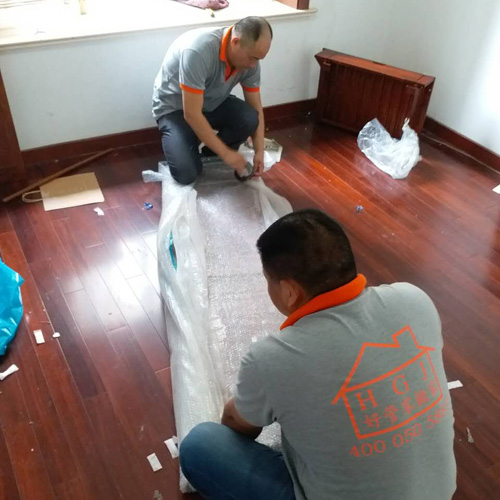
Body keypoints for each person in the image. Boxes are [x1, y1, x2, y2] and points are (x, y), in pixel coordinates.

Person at [179, 209, 457, 500]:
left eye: (268, 280)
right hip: (438, 492)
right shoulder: (415, 299)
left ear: (290, 292)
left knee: (202, 445)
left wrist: (252, 399)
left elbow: (238, 426)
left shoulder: (272, 357)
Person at [152, 17, 272, 185]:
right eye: (252, 58)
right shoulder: (198, 51)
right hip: (176, 109)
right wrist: (227, 154)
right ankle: (191, 141)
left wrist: (259, 151)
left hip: (211, 102)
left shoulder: (250, 61)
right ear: (235, 42)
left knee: (250, 118)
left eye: (259, 59)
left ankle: (209, 153)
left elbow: (255, 106)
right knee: (186, 174)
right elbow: (192, 114)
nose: (253, 65)